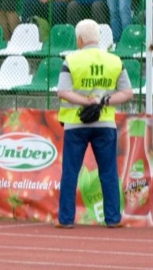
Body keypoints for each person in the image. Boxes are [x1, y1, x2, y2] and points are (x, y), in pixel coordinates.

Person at [56, 19, 133, 229]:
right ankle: (113, 219)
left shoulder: (71, 60)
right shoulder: (115, 61)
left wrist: (84, 101)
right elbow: (127, 93)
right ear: (98, 39)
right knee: (108, 172)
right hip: (105, 122)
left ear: (79, 40)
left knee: (70, 172)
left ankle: (65, 219)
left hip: (75, 123)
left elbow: (63, 91)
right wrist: (103, 101)